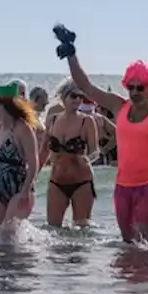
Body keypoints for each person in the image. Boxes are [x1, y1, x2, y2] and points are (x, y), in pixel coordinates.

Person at [56, 24, 148, 243]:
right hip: (124, 184)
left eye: (139, 88)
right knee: (127, 242)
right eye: (130, 87)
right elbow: (86, 87)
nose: (134, 92)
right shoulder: (118, 106)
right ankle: (129, 277)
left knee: (142, 241)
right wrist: (71, 54)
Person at [40, 79, 99, 227]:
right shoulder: (52, 120)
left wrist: (86, 159)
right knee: (52, 229)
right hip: (57, 181)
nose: (78, 100)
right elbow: (44, 150)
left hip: (81, 182)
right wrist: (32, 177)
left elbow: (95, 152)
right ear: (64, 97)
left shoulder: (87, 122)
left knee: (81, 231)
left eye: (81, 96)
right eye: (74, 96)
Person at [0, 83, 40, 229]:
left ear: (4, 106)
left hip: (19, 189)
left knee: (8, 235)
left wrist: (26, 190)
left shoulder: (22, 128)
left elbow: (33, 163)